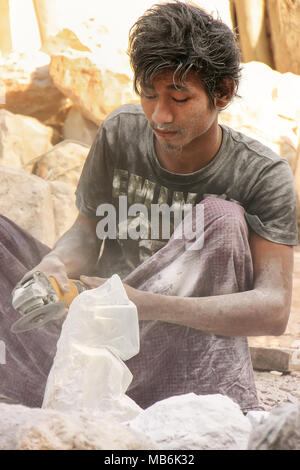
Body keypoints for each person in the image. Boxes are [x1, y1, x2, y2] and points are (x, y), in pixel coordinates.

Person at [0, 1, 298, 413]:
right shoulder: (119, 132)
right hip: (91, 343)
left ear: (223, 92)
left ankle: (137, 401)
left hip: (181, 360)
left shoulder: (261, 174)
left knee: (223, 218)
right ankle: (54, 388)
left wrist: (142, 304)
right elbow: (87, 233)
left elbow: (273, 309)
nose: (160, 114)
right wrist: (53, 267)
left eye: (179, 97)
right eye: (148, 94)